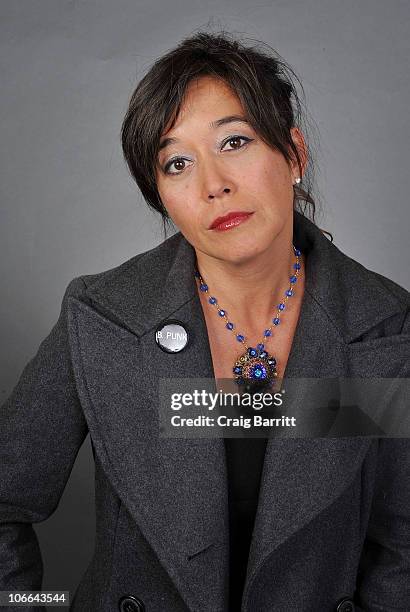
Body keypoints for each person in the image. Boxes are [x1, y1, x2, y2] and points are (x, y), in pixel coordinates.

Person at [1, 30, 409, 612]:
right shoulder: (101, 318)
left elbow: (404, 546)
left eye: (235, 142)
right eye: (177, 163)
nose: (212, 185)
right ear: (160, 194)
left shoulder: (385, 327)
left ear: (293, 153)